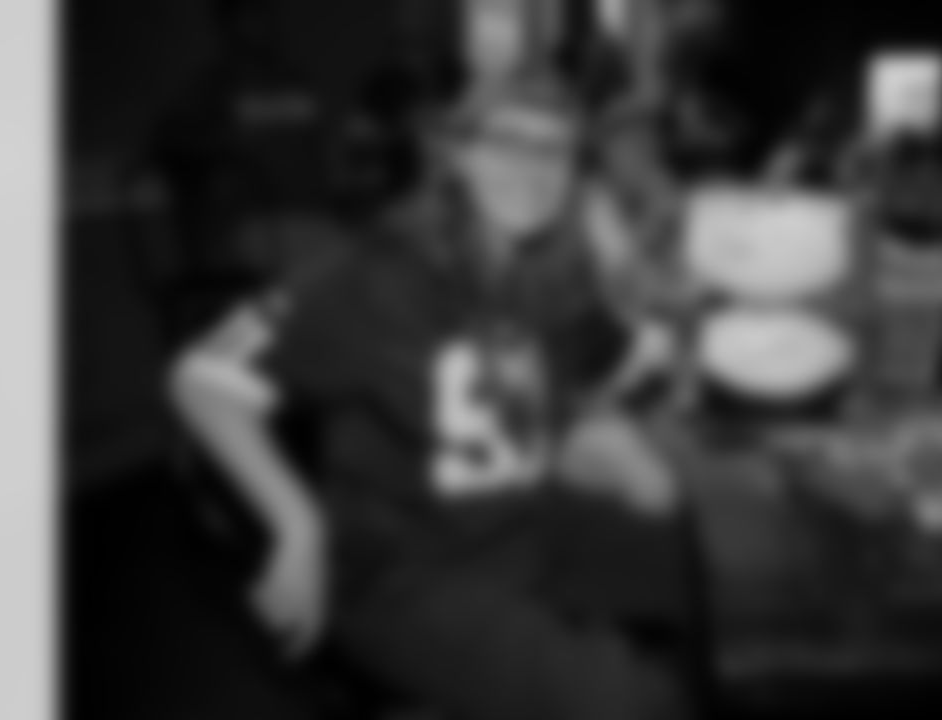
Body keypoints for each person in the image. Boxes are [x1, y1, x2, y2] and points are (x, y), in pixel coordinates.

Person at [169, 74, 699, 720]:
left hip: (519, 530)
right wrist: (297, 525)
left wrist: (662, 324)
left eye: (554, 150)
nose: (532, 168)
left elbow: (627, 358)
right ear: (459, 153)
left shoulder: (550, 278)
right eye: (508, 141)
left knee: (709, 573)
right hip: (402, 576)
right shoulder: (375, 273)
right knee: (632, 702)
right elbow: (201, 376)